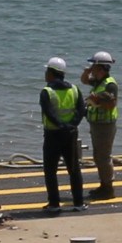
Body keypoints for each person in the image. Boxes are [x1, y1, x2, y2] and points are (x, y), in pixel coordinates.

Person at [37, 56, 86, 213]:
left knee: (50, 170)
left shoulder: (47, 92)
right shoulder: (74, 89)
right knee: (74, 169)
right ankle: (78, 202)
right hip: (71, 134)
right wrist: (71, 125)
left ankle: (54, 204)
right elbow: (81, 110)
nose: (45, 74)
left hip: (53, 135)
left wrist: (61, 125)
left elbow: (49, 113)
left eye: (47, 71)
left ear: (51, 73)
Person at [81, 52, 119, 198]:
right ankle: (103, 185)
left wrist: (96, 101)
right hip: (97, 124)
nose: (93, 70)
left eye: (95, 67)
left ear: (101, 69)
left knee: (103, 156)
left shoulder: (110, 84)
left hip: (105, 125)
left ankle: (108, 188)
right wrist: (88, 70)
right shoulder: (98, 81)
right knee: (98, 156)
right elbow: (84, 80)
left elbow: (111, 104)